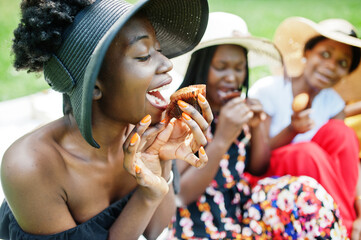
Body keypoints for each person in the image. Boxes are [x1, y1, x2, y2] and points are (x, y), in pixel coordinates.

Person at [0, 0, 212, 239]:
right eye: (143, 56)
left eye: (159, 51)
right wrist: (145, 195)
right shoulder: (31, 167)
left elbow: (154, 230)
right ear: (94, 86)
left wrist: (160, 167)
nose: (167, 64)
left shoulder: (147, 134)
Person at [167, 12, 348, 239]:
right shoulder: (184, 116)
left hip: (243, 214)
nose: (232, 77)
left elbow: (258, 168)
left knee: (306, 194)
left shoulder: (238, 110)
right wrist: (222, 139)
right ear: (201, 66)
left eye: (239, 68)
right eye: (221, 67)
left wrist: (256, 127)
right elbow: (180, 194)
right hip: (199, 222)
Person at [249, 16, 361, 238]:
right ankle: (344, 229)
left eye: (342, 63)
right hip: (270, 180)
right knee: (307, 153)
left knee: (343, 133)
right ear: (307, 53)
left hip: (321, 189)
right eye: (325, 54)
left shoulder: (334, 103)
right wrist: (292, 130)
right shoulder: (269, 90)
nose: (331, 66)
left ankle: (350, 221)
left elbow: (345, 162)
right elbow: (256, 159)